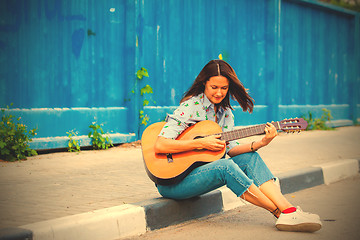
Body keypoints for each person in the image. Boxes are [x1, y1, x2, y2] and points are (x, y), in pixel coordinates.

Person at [153, 59, 322, 232]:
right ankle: (281, 213)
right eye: (214, 87)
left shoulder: (225, 113)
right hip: (172, 183)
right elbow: (160, 145)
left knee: (249, 158)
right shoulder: (190, 107)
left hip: (198, 176)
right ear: (204, 83)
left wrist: (262, 142)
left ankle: (289, 209)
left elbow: (232, 149)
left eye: (224, 88)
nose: (219, 93)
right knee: (224, 166)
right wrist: (201, 142)